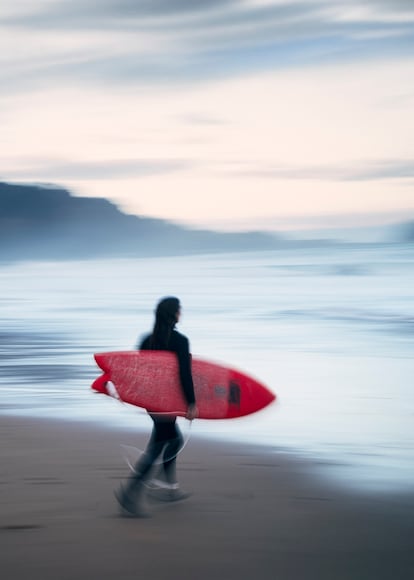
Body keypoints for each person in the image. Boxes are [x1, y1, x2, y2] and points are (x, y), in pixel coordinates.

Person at [115, 296, 198, 517]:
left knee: (171, 440)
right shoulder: (180, 341)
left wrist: (131, 395)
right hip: (167, 402)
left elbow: (136, 372)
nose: (182, 313)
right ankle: (129, 494)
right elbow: (184, 375)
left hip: (152, 402)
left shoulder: (146, 341)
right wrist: (191, 403)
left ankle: (168, 489)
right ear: (174, 314)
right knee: (160, 446)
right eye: (180, 310)